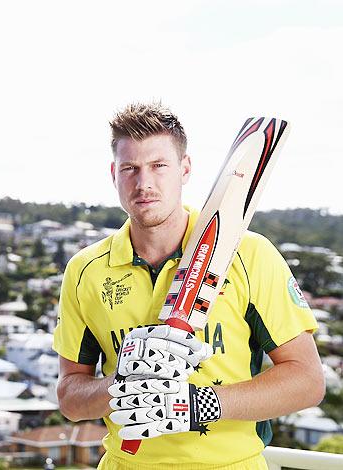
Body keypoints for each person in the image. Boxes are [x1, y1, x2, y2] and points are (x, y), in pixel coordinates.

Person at [53, 102, 324, 469]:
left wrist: (199, 404)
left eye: (158, 166)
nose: (144, 183)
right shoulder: (85, 270)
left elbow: (307, 381)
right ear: (114, 173)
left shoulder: (249, 254)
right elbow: (70, 397)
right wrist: (121, 386)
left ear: (185, 169)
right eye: (130, 168)